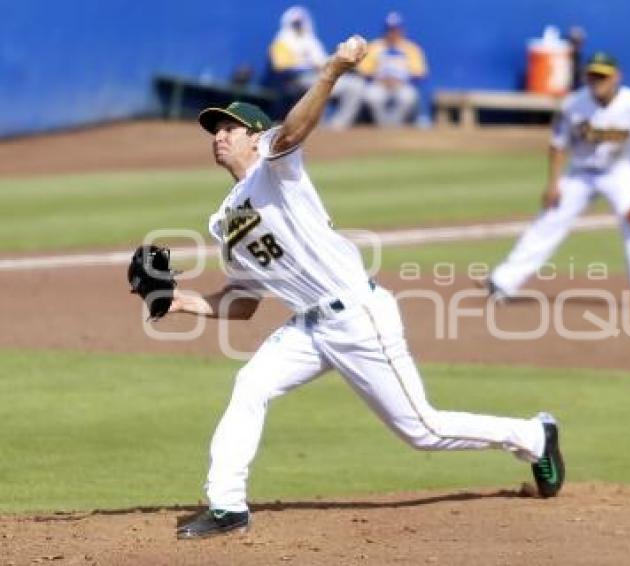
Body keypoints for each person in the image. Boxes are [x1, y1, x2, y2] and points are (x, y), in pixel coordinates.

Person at [170, 35, 564, 539]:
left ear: (255, 136)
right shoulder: (224, 220)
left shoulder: (276, 163)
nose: (218, 135)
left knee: (423, 430)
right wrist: (175, 300)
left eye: (229, 127)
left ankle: (533, 435)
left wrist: (333, 70)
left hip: (358, 316)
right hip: (307, 329)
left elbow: (293, 130)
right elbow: (242, 301)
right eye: (214, 130)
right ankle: (228, 506)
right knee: (250, 385)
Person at [487, 52, 630, 308]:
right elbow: (557, 145)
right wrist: (553, 184)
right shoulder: (574, 105)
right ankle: (503, 281)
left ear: (616, 77)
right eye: (593, 75)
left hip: (620, 171)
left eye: (603, 76)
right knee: (550, 221)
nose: (597, 80)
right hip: (581, 172)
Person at [267, 6, 365, 129]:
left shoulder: (311, 40)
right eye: (296, 23)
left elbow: (322, 61)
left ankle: (337, 126)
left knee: (356, 84)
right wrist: (308, 66)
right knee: (321, 85)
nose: (299, 26)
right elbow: (281, 67)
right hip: (299, 79)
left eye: (300, 23)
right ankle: (315, 128)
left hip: (319, 75)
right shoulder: (282, 41)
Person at [359, 12, 428, 126]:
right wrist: (380, 79)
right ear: (385, 30)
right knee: (372, 96)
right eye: (390, 30)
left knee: (408, 96)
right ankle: (383, 126)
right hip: (379, 84)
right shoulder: (375, 47)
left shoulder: (411, 48)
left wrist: (400, 80)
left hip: (402, 85)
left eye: (395, 29)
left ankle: (394, 127)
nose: (393, 33)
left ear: (401, 30)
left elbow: (420, 73)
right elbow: (363, 71)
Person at [567, 26, 586, 91]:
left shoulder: (578, 59)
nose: (575, 45)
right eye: (572, 41)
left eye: (578, 42)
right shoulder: (559, 57)